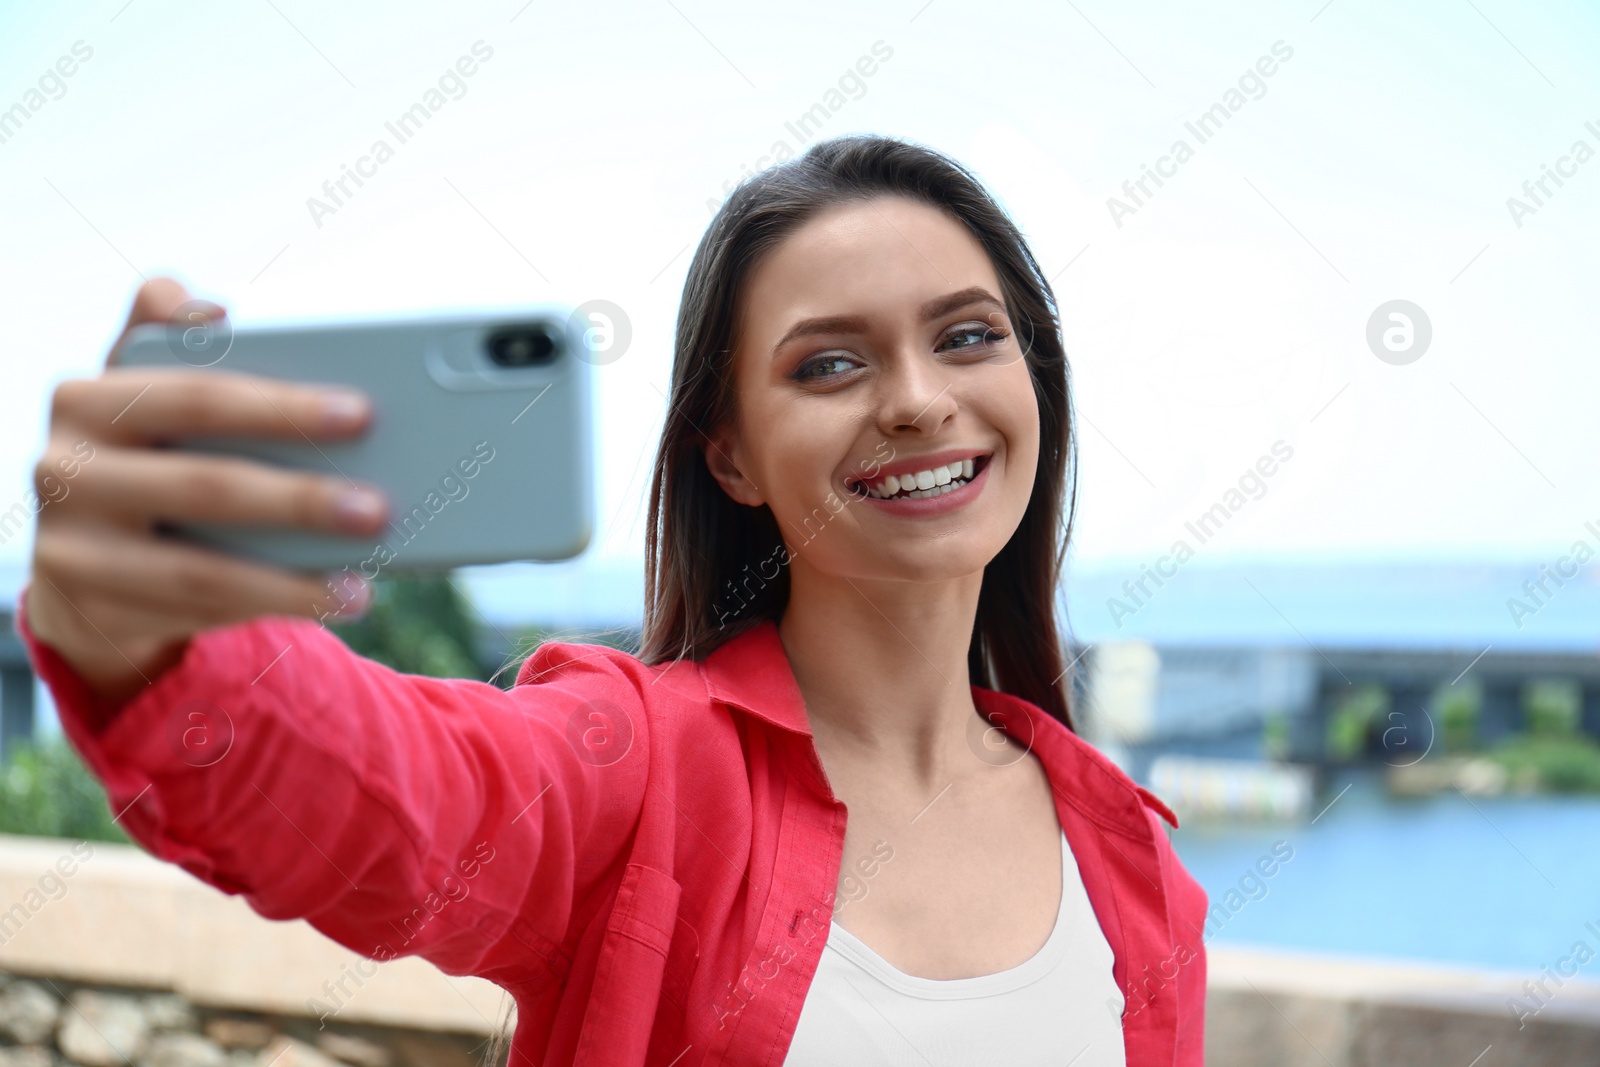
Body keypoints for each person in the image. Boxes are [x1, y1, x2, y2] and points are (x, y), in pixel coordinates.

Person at [20, 135, 1207, 1066]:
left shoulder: (1135, 863)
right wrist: (151, 650)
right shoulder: (630, 772)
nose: (915, 399)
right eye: (828, 363)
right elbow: (390, 796)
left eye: (966, 335)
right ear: (729, 454)